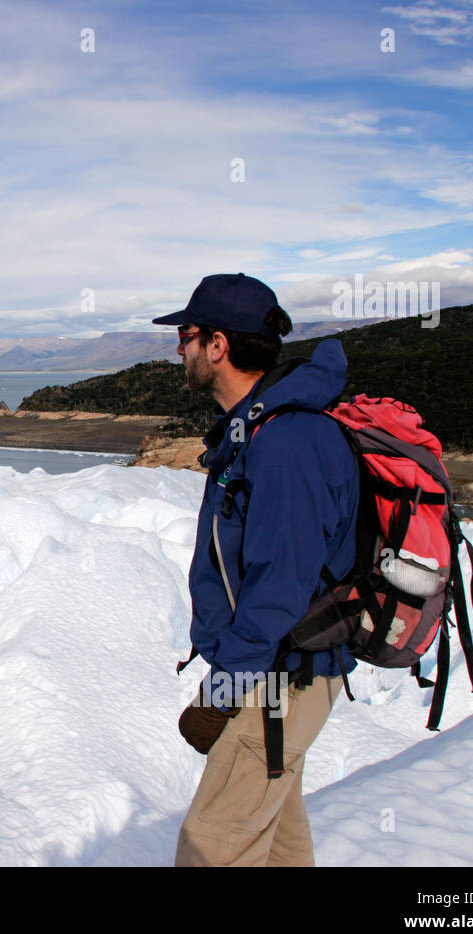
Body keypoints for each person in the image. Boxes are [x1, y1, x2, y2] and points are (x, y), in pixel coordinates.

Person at [150, 273, 359, 867]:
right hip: (269, 670)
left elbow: (281, 584)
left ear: (219, 345)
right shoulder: (257, 430)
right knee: (276, 841)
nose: (179, 348)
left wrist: (226, 687)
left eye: (187, 335)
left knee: (211, 845)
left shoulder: (288, 440)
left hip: (279, 675)